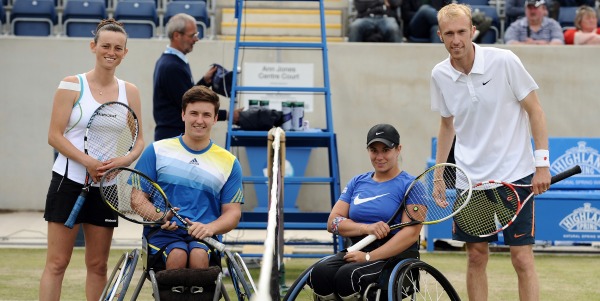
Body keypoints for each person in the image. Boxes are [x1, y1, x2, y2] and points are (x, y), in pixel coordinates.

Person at [431, 3, 551, 301]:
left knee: (522, 258)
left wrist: (542, 164)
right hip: (470, 181)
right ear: (440, 36)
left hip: (516, 174)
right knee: (475, 257)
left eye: (461, 31)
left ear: (473, 31)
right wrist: (439, 174)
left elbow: (535, 111)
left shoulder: (505, 61)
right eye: (449, 34)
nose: (456, 40)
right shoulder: (439, 75)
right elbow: (447, 125)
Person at [40, 19, 145, 301]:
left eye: (118, 48)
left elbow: (139, 141)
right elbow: (54, 135)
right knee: (57, 263)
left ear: (125, 52)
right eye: (106, 46)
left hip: (107, 188)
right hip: (68, 181)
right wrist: (86, 161)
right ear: (93, 47)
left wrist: (124, 160)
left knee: (98, 266)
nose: (111, 52)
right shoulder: (71, 85)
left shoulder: (130, 92)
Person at [308, 124, 422, 300]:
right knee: (319, 273)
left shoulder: (412, 185)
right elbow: (333, 222)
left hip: (391, 258)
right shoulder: (357, 182)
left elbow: (411, 234)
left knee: (348, 277)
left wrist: (369, 257)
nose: (379, 156)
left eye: (386, 150)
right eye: (373, 150)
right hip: (356, 249)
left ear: (398, 149)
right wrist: (366, 229)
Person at [135, 85, 243, 270]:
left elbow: (233, 213)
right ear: (183, 114)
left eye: (206, 115)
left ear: (215, 118)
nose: (199, 120)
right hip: (161, 234)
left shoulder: (230, 162)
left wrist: (210, 228)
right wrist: (160, 217)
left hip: (205, 236)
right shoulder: (156, 150)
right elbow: (137, 199)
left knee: (198, 255)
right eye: (194, 113)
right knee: (177, 255)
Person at [153, 13, 227, 141]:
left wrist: (205, 81)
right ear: (177, 35)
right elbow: (190, 103)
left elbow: (186, 96)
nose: (196, 39)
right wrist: (229, 115)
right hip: (173, 138)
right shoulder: (172, 66)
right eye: (192, 35)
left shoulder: (171, 61)